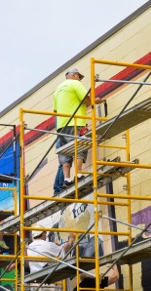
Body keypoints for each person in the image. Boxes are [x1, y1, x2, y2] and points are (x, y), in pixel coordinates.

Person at [53, 67, 103, 195]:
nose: (80, 79)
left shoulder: (58, 90)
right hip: (76, 122)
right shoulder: (75, 84)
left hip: (61, 126)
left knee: (65, 153)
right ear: (74, 75)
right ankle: (79, 174)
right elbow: (86, 99)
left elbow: (55, 110)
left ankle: (67, 179)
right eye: (79, 77)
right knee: (79, 148)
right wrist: (95, 101)